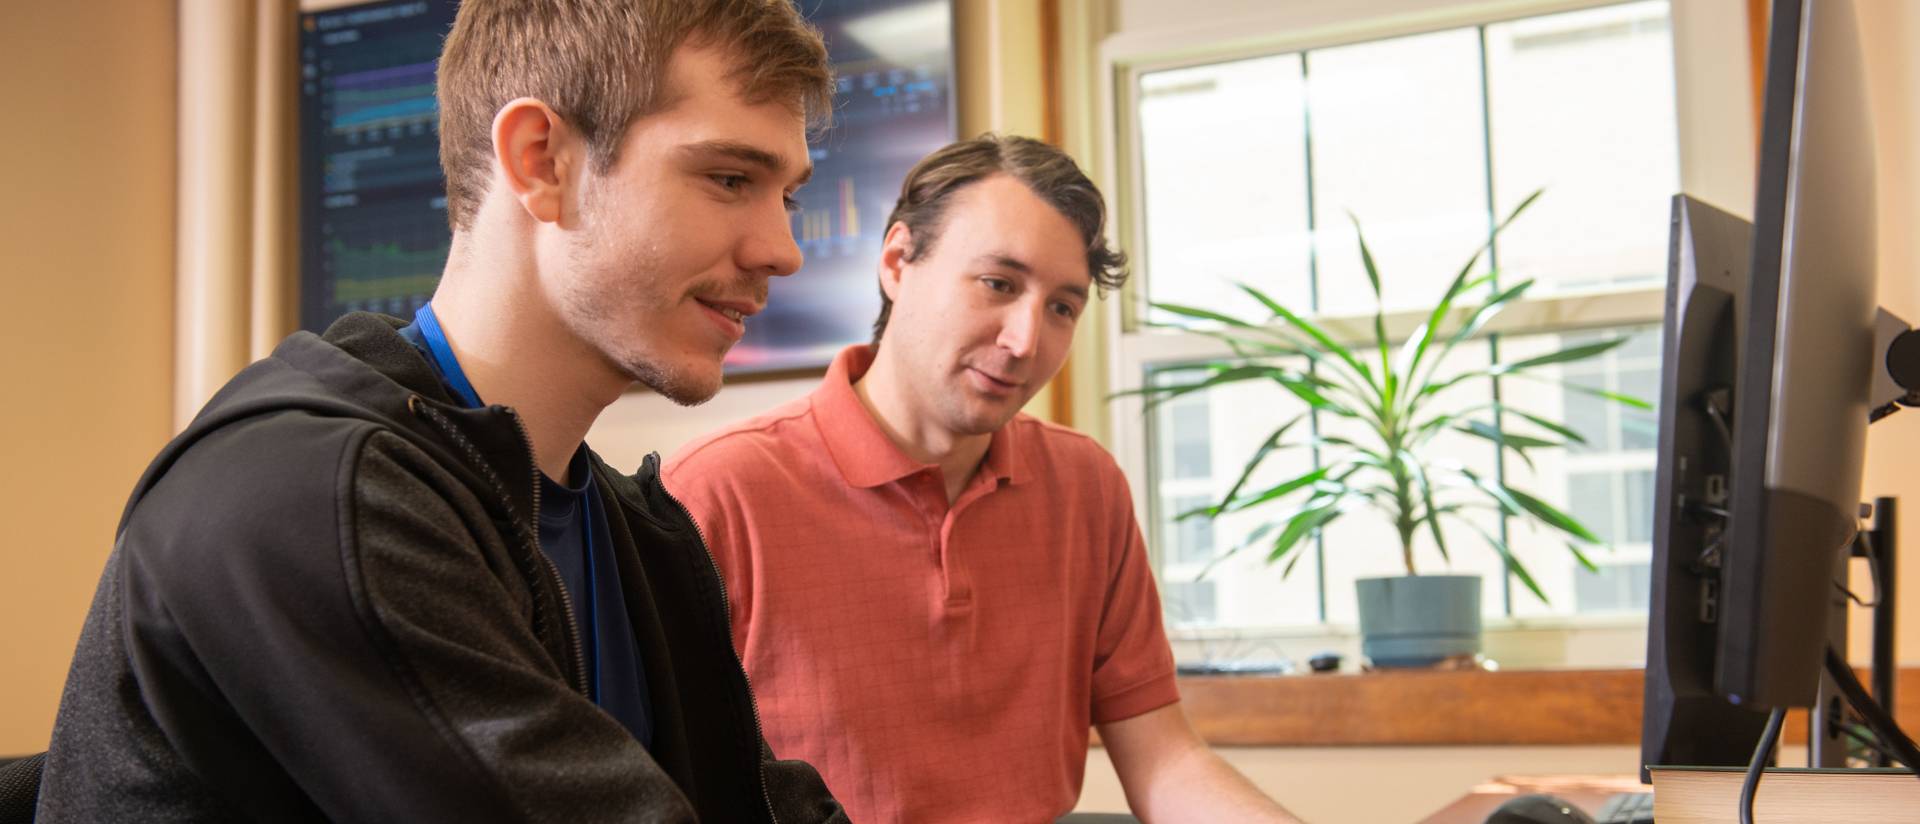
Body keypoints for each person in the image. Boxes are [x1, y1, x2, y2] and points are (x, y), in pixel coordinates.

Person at [37, 1, 848, 821]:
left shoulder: (638, 535)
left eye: (787, 195)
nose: (782, 248)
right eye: (731, 180)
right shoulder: (316, 500)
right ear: (541, 162)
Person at [666, 134, 1302, 823]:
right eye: (998, 284)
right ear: (897, 263)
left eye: (1062, 306)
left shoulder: (1087, 487)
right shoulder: (713, 493)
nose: (1026, 340)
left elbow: (1165, 760)